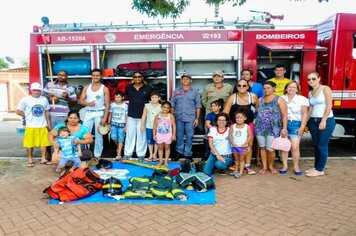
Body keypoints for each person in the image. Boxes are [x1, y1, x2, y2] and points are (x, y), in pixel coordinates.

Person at [223, 79, 258, 175]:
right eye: (239, 85)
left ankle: (247, 165)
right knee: (235, 144)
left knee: (248, 145)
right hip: (234, 126)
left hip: (249, 124)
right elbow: (226, 112)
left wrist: (255, 122)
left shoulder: (253, 97)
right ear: (236, 87)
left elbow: (257, 110)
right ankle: (237, 164)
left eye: (244, 85)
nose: (241, 87)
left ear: (248, 86)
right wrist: (225, 125)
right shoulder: (232, 97)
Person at [305, 72, 335, 177]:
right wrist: (305, 123)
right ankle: (316, 167)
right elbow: (310, 109)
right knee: (316, 145)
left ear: (319, 78)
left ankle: (320, 169)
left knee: (322, 146)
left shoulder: (325, 89)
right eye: (309, 79)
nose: (311, 81)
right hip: (313, 121)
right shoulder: (311, 92)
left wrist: (324, 120)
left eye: (313, 78)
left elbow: (329, 105)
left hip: (325, 121)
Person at [254, 81, 288, 174]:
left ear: (273, 88)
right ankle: (264, 167)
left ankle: (271, 166)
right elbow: (256, 111)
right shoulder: (260, 99)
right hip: (260, 127)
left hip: (274, 128)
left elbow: (284, 115)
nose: (266, 90)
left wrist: (284, 128)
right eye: (264, 88)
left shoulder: (279, 100)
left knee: (271, 149)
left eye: (268, 88)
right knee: (262, 148)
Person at [16, 82, 52, 167]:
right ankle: (30, 159)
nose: (37, 92)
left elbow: (46, 110)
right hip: (30, 126)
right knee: (29, 144)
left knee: (44, 143)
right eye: (35, 90)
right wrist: (26, 116)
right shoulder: (25, 99)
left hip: (42, 125)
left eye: (38, 90)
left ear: (41, 91)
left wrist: (48, 121)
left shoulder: (44, 99)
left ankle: (43, 158)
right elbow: (18, 111)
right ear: (31, 90)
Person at [79, 68, 110, 158]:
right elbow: (81, 100)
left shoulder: (104, 88)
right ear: (91, 76)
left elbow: (107, 105)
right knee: (85, 133)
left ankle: (97, 155)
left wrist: (105, 117)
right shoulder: (86, 88)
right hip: (88, 112)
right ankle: (85, 154)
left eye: (97, 75)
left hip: (100, 113)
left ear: (101, 76)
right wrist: (88, 104)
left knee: (99, 135)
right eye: (94, 75)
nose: (95, 77)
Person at [280, 81, 309, 175]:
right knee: (284, 147)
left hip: (296, 124)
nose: (291, 89)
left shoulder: (302, 99)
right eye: (289, 87)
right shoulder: (281, 98)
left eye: (293, 87)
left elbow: (304, 114)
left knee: (295, 147)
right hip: (283, 124)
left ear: (297, 89)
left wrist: (302, 127)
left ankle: (296, 166)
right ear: (286, 89)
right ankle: (285, 166)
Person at [171, 73, 202, 161]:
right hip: (178, 117)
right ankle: (179, 152)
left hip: (190, 118)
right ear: (181, 80)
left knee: (190, 136)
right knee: (179, 136)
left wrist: (197, 118)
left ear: (190, 81)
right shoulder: (176, 91)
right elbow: (173, 104)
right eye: (183, 79)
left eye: (187, 79)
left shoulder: (195, 91)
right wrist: (172, 117)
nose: (185, 80)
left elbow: (198, 105)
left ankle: (188, 153)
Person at [124, 71, 153, 161]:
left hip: (143, 116)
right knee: (130, 135)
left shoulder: (148, 88)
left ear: (142, 78)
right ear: (133, 78)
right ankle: (127, 154)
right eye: (135, 77)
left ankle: (141, 155)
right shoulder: (128, 87)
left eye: (139, 76)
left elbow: (152, 101)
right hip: (131, 114)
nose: (137, 78)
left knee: (142, 135)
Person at [229, 110, 252, 179]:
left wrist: (245, 143)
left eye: (241, 117)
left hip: (243, 147)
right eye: (237, 118)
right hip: (234, 146)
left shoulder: (246, 126)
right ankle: (236, 170)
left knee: (242, 159)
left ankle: (241, 172)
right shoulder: (233, 126)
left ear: (245, 118)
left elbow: (250, 136)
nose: (239, 119)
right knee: (236, 159)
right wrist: (233, 143)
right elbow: (230, 135)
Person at [153, 101, 176, 166]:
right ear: (161, 107)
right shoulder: (158, 116)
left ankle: (166, 161)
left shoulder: (171, 116)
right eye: (164, 107)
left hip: (168, 134)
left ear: (169, 109)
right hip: (159, 134)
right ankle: (160, 161)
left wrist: (174, 134)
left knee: (167, 147)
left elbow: (174, 125)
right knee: (160, 148)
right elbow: (154, 125)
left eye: (167, 108)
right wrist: (154, 134)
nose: (165, 109)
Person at [141, 92, 162, 162]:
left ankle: (155, 155)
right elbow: (144, 116)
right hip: (149, 126)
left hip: (158, 127)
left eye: (156, 97)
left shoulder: (161, 106)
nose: (154, 99)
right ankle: (150, 154)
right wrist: (142, 125)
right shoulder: (147, 106)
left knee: (157, 141)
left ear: (159, 98)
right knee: (150, 141)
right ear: (150, 98)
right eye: (152, 97)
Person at [108, 91, 128, 161]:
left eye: (119, 97)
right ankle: (119, 147)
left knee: (121, 139)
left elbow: (126, 116)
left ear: (123, 97)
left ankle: (118, 154)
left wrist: (126, 125)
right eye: (115, 97)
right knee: (113, 137)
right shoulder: (112, 105)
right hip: (113, 124)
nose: (117, 98)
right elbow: (110, 114)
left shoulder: (125, 106)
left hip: (122, 124)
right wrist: (108, 123)